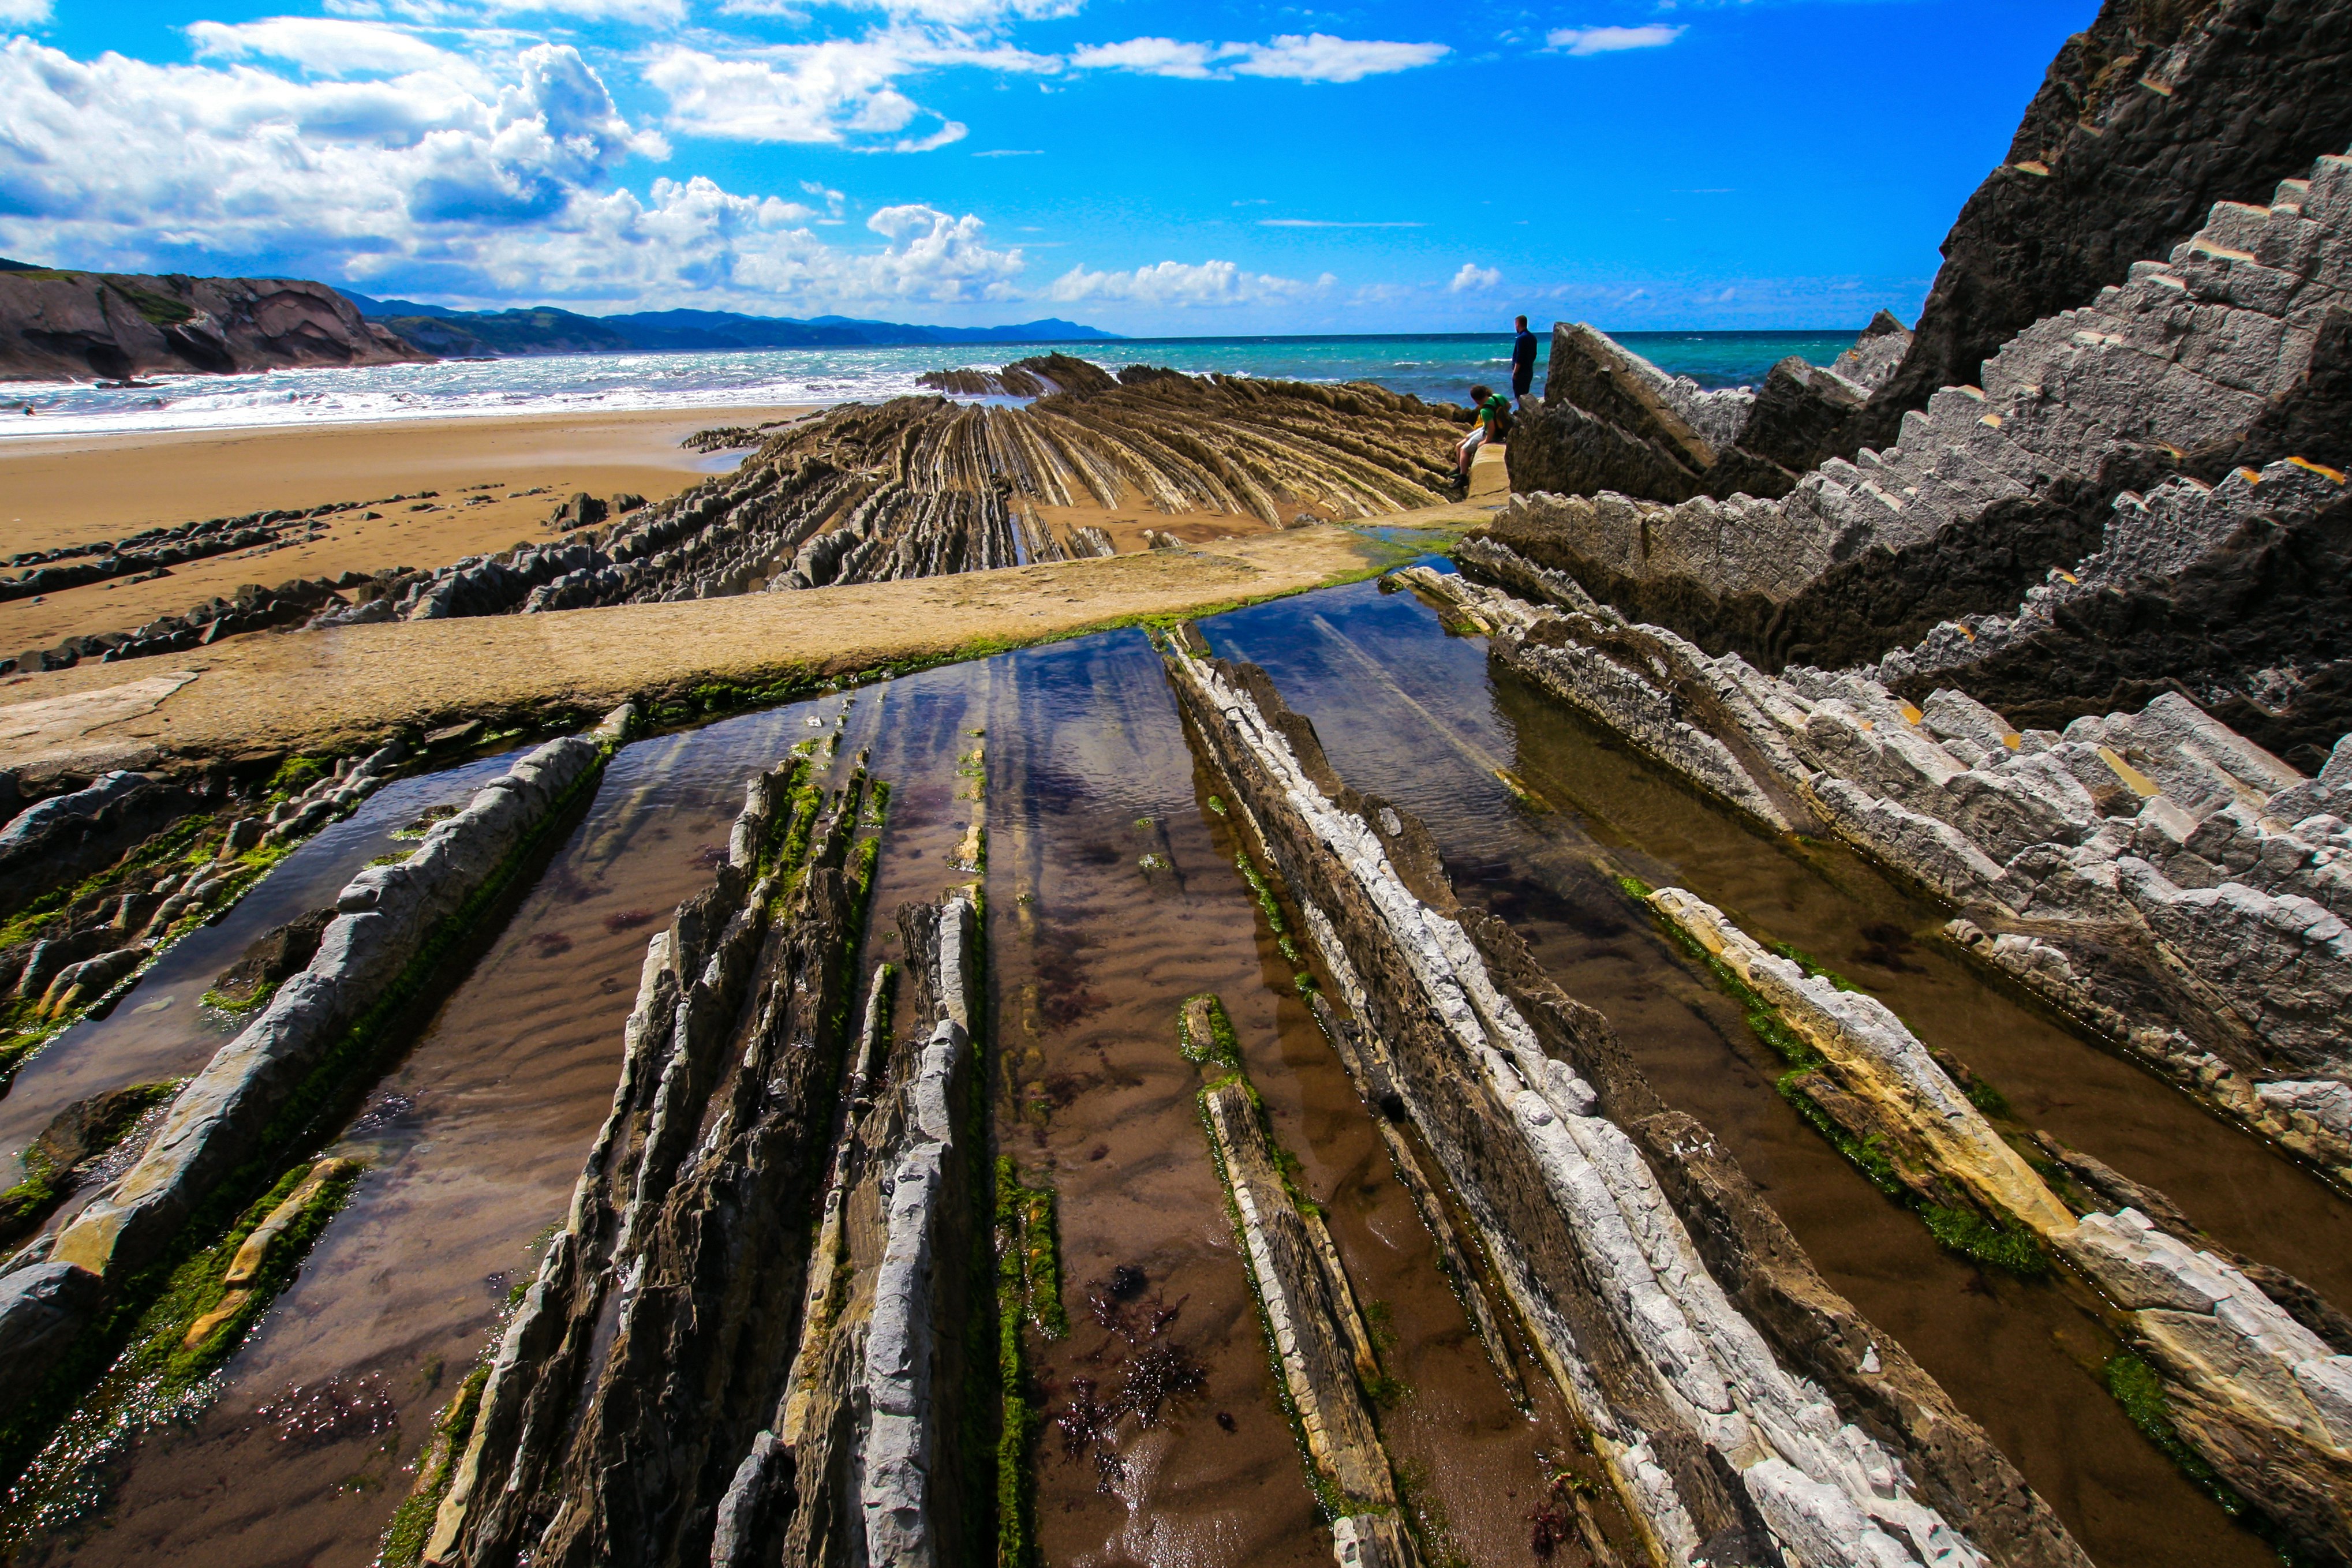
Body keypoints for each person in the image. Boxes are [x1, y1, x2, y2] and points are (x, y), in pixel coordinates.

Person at [1450, 383, 1511, 492]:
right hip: (1494, 428)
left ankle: (1463, 477)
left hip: (1494, 433)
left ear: (1475, 400)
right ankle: (1460, 469)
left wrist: (1486, 442)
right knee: (1463, 441)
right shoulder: (1498, 397)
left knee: (1465, 449)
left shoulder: (1485, 411)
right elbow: (1508, 407)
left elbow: (1491, 429)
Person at [1510, 314, 1539, 407]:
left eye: (1516, 324)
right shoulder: (1533, 337)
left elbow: (1520, 357)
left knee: (1519, 396)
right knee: (1525, 394)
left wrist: (1515, 372)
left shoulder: (1521, 338)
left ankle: (1522, 413)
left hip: (1521, 373)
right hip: (1529, 370)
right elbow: (1534, 354)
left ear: (1518, 324)